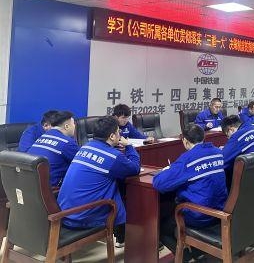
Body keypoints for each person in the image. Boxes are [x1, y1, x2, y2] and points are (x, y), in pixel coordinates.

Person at [57, 115, 141, 248]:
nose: (120, 134)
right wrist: (129, 146)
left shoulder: (84, 147)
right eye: (118, 132)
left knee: (112, 183)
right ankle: (127, 235)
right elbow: (135, 168)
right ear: (112, 136)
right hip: (82, 218)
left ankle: (122, 236)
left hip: (64, 213)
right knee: (121, 189)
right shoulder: (113, 156)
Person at [153, 124, 227, 259]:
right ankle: (197, 252)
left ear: (185, 141)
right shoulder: (218, 153)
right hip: (221, 211)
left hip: (200, 216)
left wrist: (164, 171)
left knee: (160, 227)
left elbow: (159, 184)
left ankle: (186, 257)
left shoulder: (188, 159)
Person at [27, 110, 79, 187]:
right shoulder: (67, 142)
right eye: (73, 123)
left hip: (31, 185)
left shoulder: (42, 137)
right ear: (67, 126)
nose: (75, 126)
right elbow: (83, 164)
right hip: (51, 189)